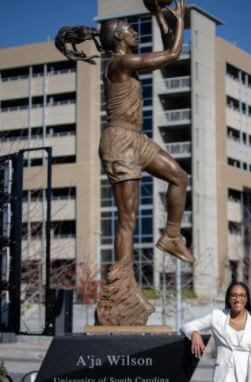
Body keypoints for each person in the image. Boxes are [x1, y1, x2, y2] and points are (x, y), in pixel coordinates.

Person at [55, 0, 193, 324]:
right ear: (118, 36)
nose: (133, 31)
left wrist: (160, 15)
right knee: (128, 218)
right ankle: (123, 279)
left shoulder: (126, 60)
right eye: (129, 29)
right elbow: (171, 54)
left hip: (137, 139)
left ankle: (171, 235)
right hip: (119, 140)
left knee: (179, 177)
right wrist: (180, 20)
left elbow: (166, 46)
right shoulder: (118, 63)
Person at [181, 282, 251, 382]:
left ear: (247, 299)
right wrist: (194, 333)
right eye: (234, 295)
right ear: (228, 298)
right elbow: (186, 326)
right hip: (222, 377)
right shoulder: (217, 316)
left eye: (242, 296)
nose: (237, 299)